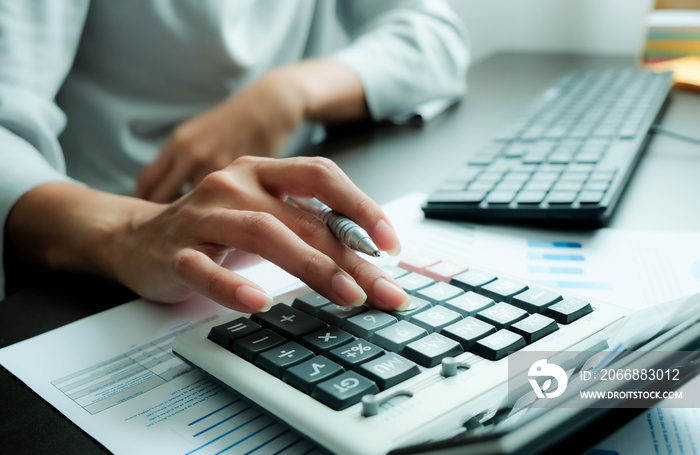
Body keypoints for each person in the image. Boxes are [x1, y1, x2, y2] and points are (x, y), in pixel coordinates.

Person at [0, 1, 469, 312]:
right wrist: (127, 231)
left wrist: (289, 93)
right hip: (102, 251)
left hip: (274, 234)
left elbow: (432, 33)